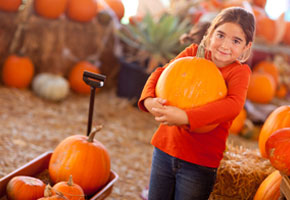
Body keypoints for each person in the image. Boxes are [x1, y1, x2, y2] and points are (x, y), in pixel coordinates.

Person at [138, 7, 256, 200]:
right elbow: (160, 73)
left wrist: (186, 117)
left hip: (200, 162)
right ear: (210, 34)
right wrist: (149, 100)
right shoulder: (192, 53)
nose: (225, 45)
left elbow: (233, 105)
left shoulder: (239, 73)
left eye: (236, 41)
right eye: (220, 35)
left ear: (246, 47)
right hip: (165, 149)